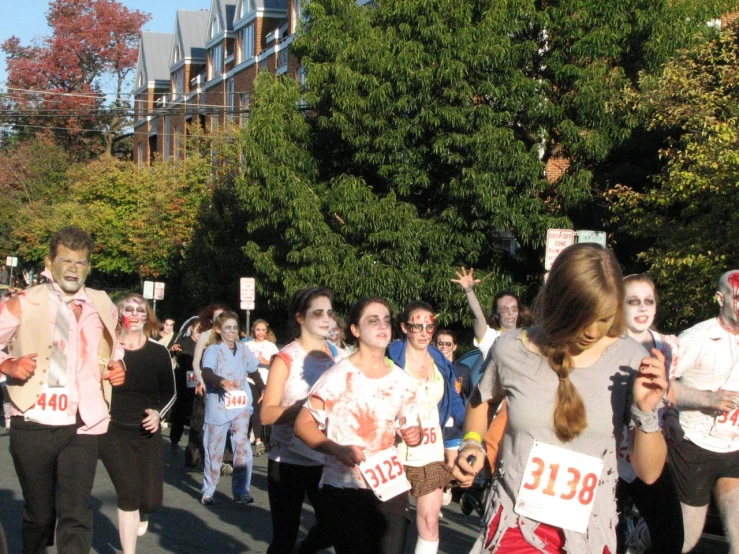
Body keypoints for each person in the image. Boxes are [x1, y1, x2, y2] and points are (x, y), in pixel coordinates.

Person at [453, 243, 668, 554]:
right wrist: (472, 442)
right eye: (584, 318)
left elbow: (648, 472)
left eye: (604, 318)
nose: (593, 331)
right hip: (516, 524)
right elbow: (480, 401)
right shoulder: (511, 348)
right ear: (559, 304)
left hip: (590, 532)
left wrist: (647, 412)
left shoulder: (630, 359)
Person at [0, 226, 126, 553]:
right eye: (66, 261)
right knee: (40, 516)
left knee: (76, 513)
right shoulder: (25, 301)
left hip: (82, 423)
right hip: (33, 421)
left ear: (89, 266)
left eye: (81, 263)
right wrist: (7, 365)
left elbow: (116, 345)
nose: (73, 269)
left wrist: (117, 365)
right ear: (50, 261)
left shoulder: (101, 302)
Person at [294, 297, 422, 554]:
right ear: (355, 330)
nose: (382, 326)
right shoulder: (338, 376)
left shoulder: (402, 380)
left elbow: (412, 426)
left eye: (386, 320)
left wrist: (413, 434)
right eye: (372, 321)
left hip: (390, 485)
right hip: (345, 486)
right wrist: (335, 448)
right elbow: (303, 424)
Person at [260, 287, 339, 554]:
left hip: (325, 457)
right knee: (284, 537)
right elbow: (267, 414)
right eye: (318, 313)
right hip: (288, 460)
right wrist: (306, 408)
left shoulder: (338, 357)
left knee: (333, 528)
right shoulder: (286, 359)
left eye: (329, 313)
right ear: (300, 318)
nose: (326, 319)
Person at [669, 269, 739, 553]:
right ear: (720, 299)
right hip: (694, 447)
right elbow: (659, 386)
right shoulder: (696, 337)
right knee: (686, 540)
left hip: (733, 449)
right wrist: (705, 399)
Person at [99, 294, 176, 553]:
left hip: (147, 432)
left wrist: (158, 413)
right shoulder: (106, 349)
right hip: (112, 431)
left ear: (147, 316)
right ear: (119, 313)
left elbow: (170, 392)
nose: (134, 314)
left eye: (140, 310)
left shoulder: (158, 351)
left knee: (151, 501)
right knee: (129, 494)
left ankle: (144, 513)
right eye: (128, 309)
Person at [387, 302, 466, 554]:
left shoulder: (441, 362)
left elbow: (454, 405)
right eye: (416, 326)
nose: (424, 332)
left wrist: (464, 441)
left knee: (430, 521)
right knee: (390, 525)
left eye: (429, 326)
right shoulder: (391, 357)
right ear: (404, 327)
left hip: (431, 452)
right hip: (393, 451)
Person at [615, 274, 683, 553]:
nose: (642, 308)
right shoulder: (605, 345)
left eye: (648, 301)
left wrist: (672, 418)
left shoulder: (667, 345)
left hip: (648, 449)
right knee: (608, 538)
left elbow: (671, 392)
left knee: (670, 537)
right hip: (609, 455)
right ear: (619, 306)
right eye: (633, 301)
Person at [200, 311, 264, 505]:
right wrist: (220, 381)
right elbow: (206, 372)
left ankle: (241, 490)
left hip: (241, 403)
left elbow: (253, 370)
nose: (231, 331)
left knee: (242, 446)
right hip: (218, 405)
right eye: (227, 327)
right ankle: (209, 489)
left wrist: (262, 387)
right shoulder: (213, 350)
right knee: (214, 448)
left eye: (235, 327)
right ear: (219, 330)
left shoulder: (244, 349)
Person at [245, 319, 279, 456]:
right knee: (254, 406)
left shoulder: (270, 346)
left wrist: (266, 362)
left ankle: (255, 436)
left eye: (263, 330)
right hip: (249, 380)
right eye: (258, 330)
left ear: (267, 331)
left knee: (258, 409)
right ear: (253, 330)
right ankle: (257, 439)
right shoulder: (247, 345)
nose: (260, 333)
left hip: (264, 381)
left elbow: (278, 363)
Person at [168, 317, 199, 455]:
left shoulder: (207, 345)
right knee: (180, 410)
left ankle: (193, 444)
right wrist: (173, 350)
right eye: (198, 329)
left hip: (199, 382)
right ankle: (175, 438)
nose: (200, 332)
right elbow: (172, 352)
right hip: (182, 379)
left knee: (196, 413)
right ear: (192, 328)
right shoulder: (183, 341)